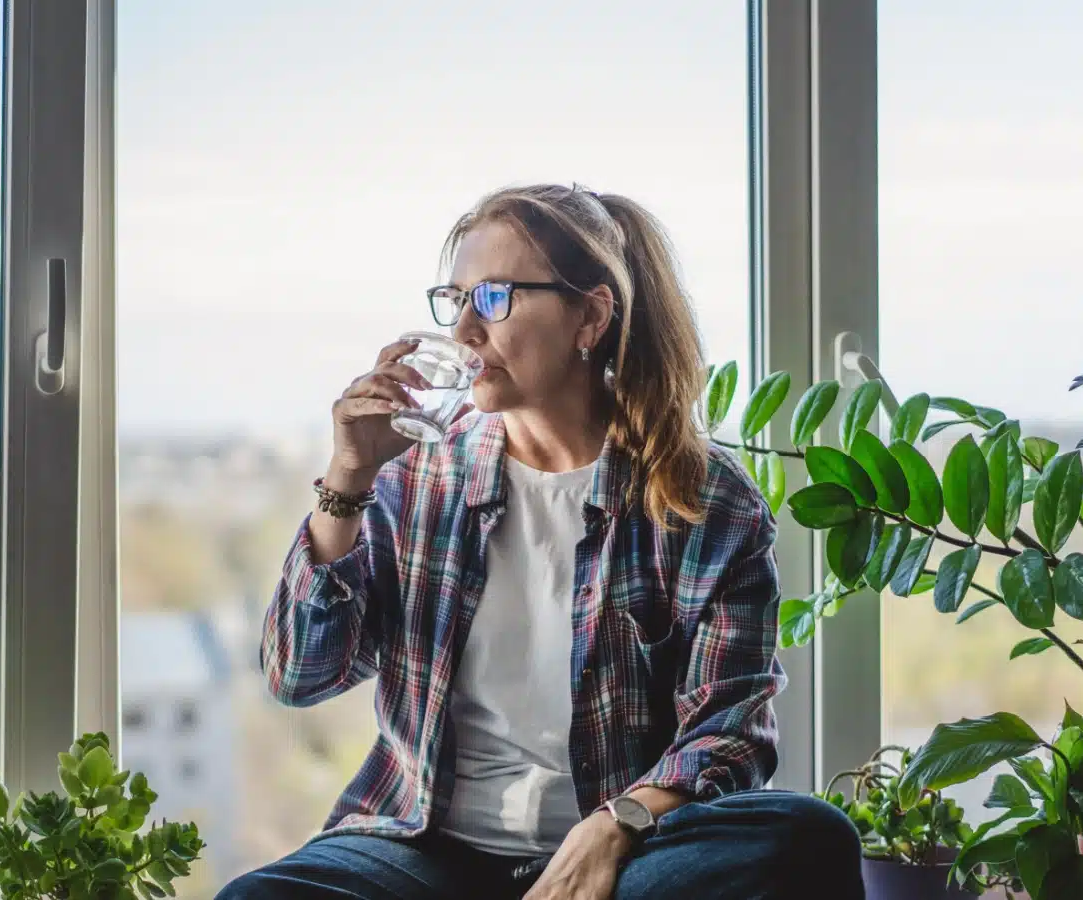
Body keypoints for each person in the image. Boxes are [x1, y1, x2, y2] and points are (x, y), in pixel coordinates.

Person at [217, 184, 863, 900]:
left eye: (493, 299)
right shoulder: (415, 474)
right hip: (425, 849)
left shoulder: (706, 501)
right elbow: (298, 675)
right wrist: (347, 478)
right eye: (454, 299)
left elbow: (732, 730)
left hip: (620, 857)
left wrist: (617, 825)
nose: (464, 331)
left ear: (590, 316)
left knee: (809, 836)